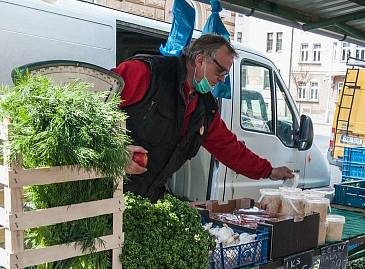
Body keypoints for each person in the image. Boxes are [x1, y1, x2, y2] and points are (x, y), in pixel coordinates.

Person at [114, 34, 295, 201]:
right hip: (107, 190)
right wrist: (115, 152)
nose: (223, 80)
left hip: (146, 199)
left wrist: (269, 171)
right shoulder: (148, 73)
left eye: (225, 75)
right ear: (200, 60)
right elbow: (90, 111)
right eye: (220, 72)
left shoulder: (205, 108)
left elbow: (229, 147)